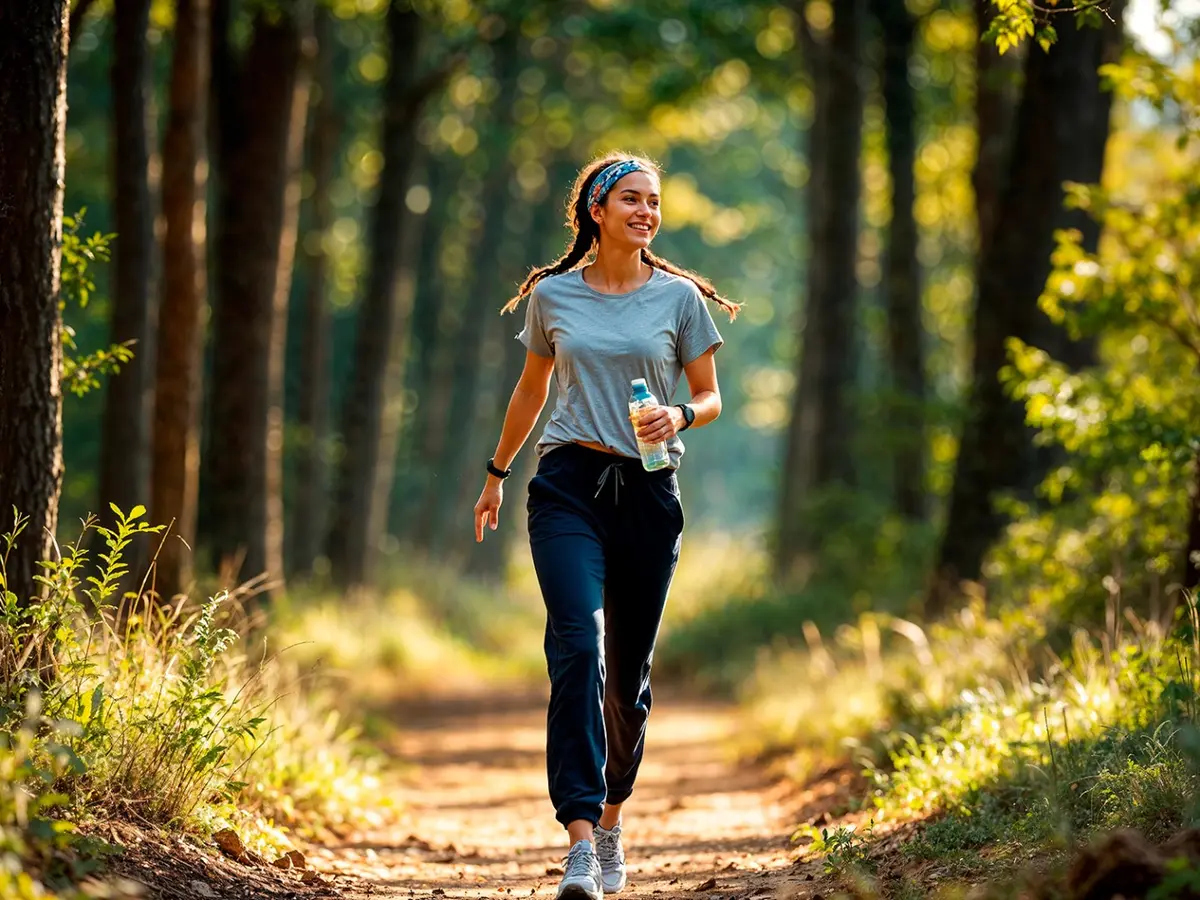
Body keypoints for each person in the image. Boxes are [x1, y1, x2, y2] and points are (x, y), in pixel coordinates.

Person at [472, 153, 738, 900]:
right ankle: (581, 842)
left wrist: (680, 413)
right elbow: (531, 389)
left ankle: (614, 821)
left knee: (627, 682)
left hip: (650, 494)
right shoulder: (553, 298)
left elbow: (711, 395)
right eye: (630, 199)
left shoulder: (680, 299)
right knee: (576, 645)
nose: (645, 211)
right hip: (567, 486)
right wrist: (495, 476)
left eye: (653, 201)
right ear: (596, 209)